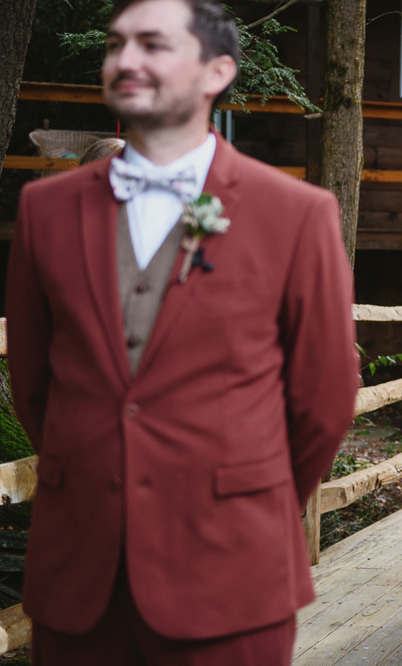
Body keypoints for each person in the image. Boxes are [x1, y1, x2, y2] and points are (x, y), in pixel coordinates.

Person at [5, 0, 357, 663]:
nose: (126, 60)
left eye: (153, 45)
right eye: (116, 46)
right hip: (80, 576)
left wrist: (242, 492)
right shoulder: (44, 210)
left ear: (216, 71)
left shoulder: (297, 214)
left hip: (232, 574)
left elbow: (323, 401)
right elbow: (36, 385)